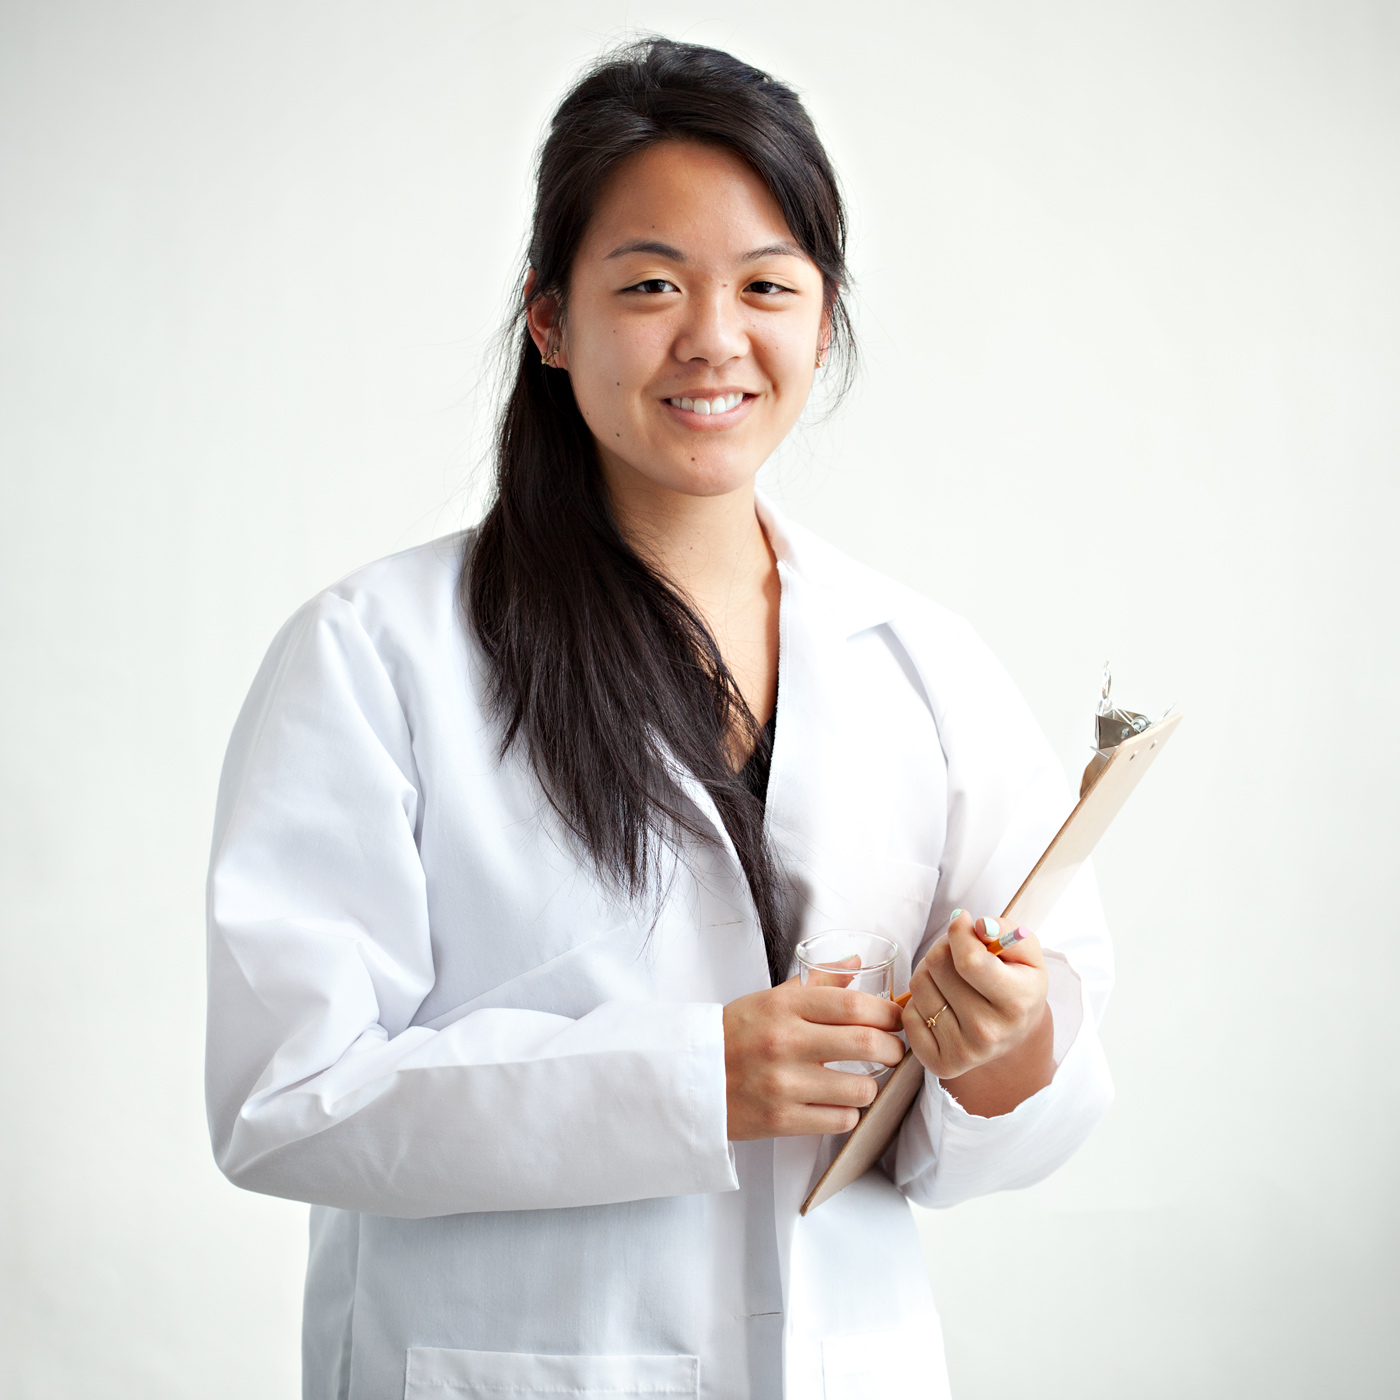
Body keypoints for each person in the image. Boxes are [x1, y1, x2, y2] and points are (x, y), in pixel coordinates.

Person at [205, 37, 1114, 1400]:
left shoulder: (923, 664)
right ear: (549, 319)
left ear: (823, 319)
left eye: (767, 286)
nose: (714, 338)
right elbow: (283, 1100)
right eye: (650, 285)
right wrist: (697, 1078)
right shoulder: (376, 654)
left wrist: (1005, 1049)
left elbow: (1038, 1102)